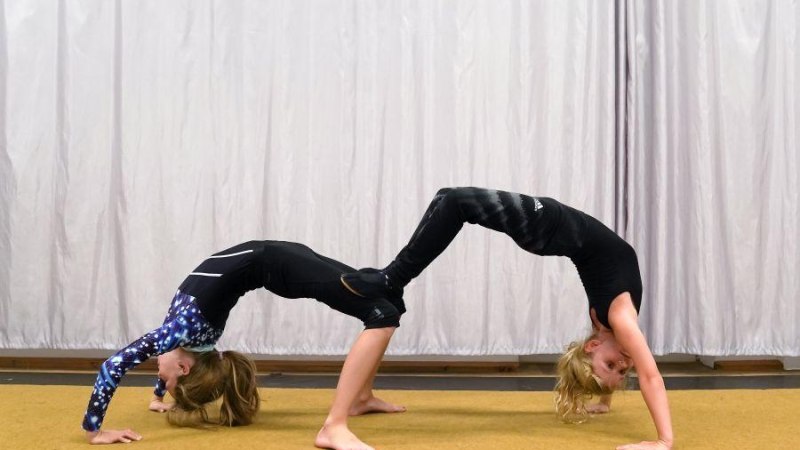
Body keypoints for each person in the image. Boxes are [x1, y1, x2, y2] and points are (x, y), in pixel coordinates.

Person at [340, 187, 674, 450]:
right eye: (619, 367)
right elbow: (651, 376)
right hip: (552, 226)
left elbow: (624, 364)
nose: (624, 362)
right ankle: (391, 280)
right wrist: (660, 438)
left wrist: (611, 400)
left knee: (456, 202)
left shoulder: (609, 327)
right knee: (449, 198)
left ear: (591, 346)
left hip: (549, 228)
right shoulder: (621, 322)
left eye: (614, 367)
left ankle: (391, 279)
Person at [82, 240, 406, 450]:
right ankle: (357, 401)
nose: (158, 372)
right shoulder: (184, 336)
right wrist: (158, 395)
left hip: (279, 262)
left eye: (164, 382)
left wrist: (101, 427)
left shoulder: (184, 337)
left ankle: (361, 399)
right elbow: (154, 363)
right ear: (185, 366)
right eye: (164, 381)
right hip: (279, 264)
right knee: (380, 304)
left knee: (382, 296)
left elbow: (134, 365)